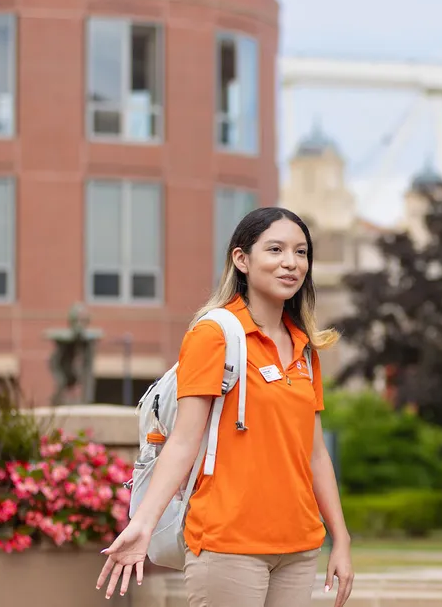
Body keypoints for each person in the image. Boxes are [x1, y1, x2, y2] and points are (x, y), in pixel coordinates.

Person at [95, 207, 356, 607]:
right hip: (228, 544)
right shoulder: (213, 334)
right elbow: (183, 442)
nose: (291, 262)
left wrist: (341, 538)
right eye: (275, 249)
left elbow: (315, 454)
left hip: (300, 546)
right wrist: (142, 523)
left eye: (301, 252)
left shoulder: (305, 347)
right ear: (242, 259)